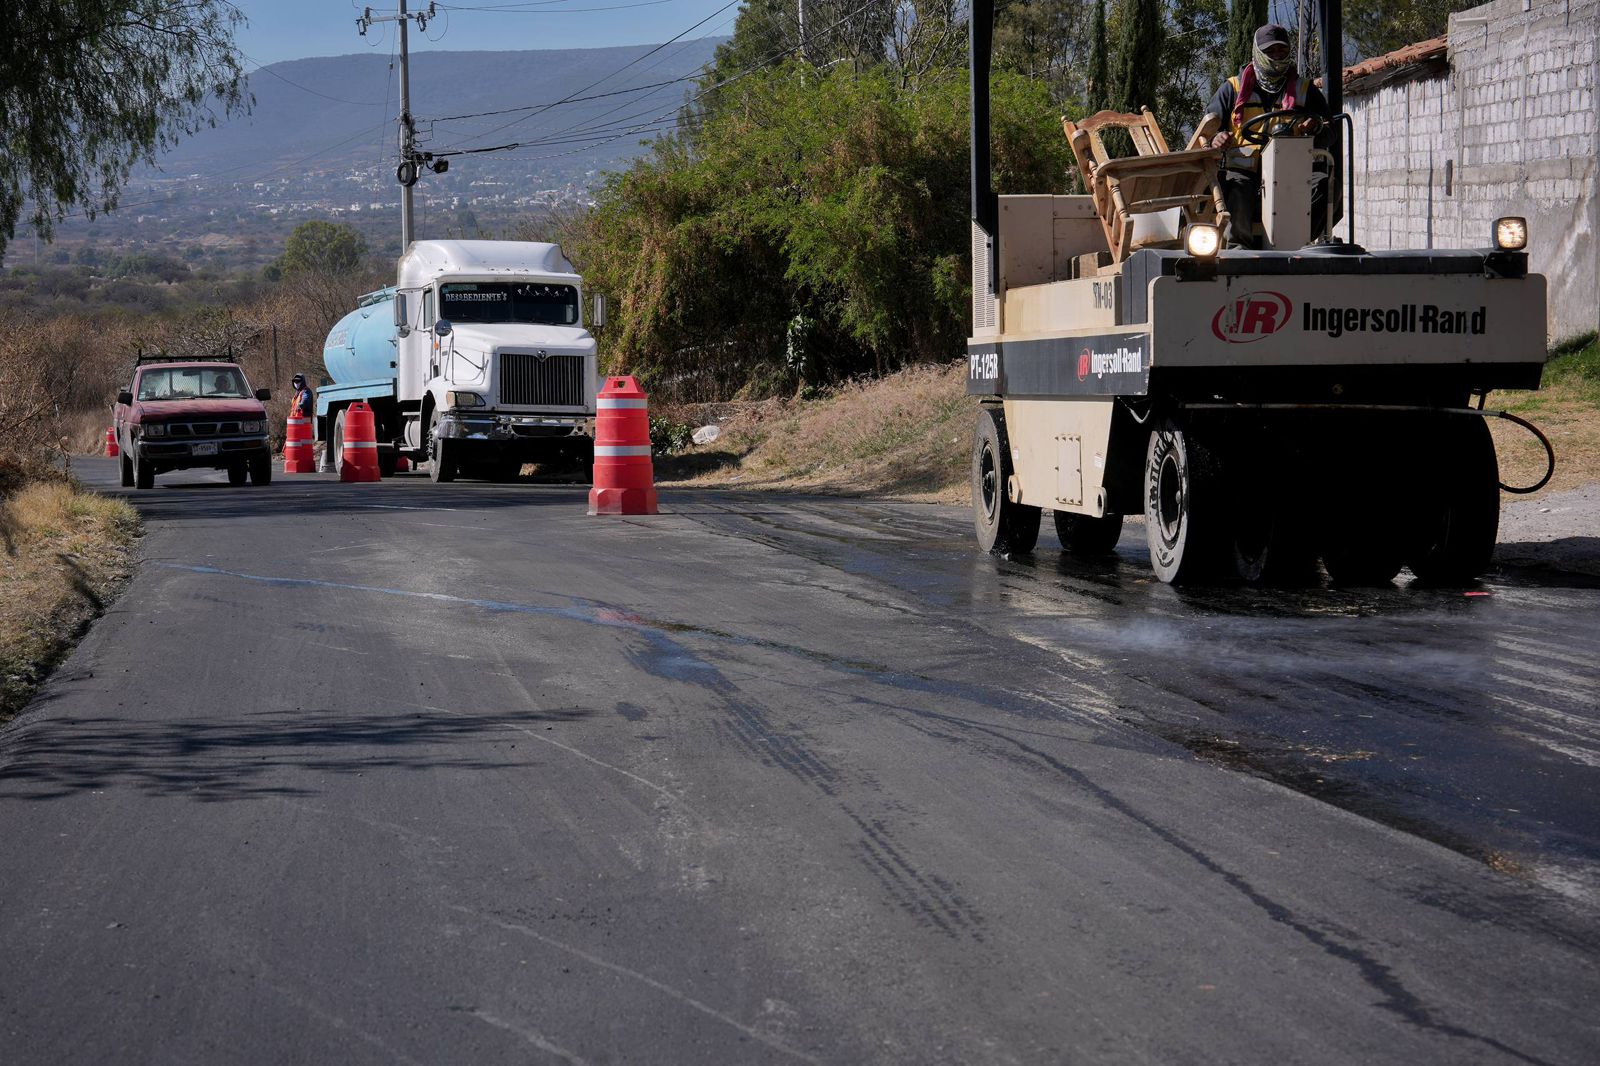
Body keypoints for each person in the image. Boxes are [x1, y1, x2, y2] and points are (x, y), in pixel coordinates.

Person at [1204, 24, 1331, 248]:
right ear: (1257, 53)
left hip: (1291, 172)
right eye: (1270, 52)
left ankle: (1300, 243)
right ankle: (1238, 249)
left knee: (1324, 185)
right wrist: (1217, 138)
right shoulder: (1232, 89)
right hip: (1245, 171)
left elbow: (1330, 132)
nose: (1276, 57)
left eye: (1281, 51)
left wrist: (1316, 129)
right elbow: (1207, 131)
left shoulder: (1305, 90)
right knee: (1237, 186)